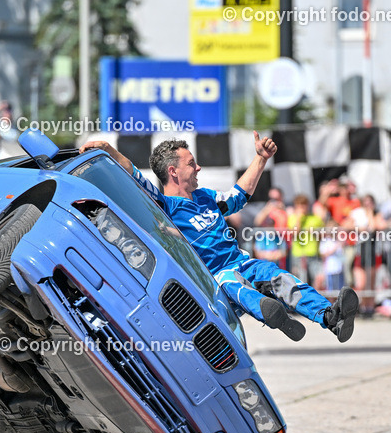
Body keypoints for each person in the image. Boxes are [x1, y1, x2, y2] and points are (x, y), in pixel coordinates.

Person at [80, 133, 359, 343]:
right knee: (233, 284)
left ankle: (329, 317)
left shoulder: (207, 197)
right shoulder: (161, 206)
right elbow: (133, 174)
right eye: (192, 163)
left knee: (277, 276)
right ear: (173, 171)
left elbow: (239, 196)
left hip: (242, 262)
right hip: (212, 280)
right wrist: (107, 149)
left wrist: (261, 157)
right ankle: (269, 312)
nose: (199, 168)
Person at [252, 187, 289, 268]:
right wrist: (267, 209)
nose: (274, 201)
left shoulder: (286, 210)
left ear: (281, 198)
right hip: (271, 245)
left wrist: (283, 209)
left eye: (276, 199)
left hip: (285, 246)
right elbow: (257, 222)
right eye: (271, 198)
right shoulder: (267, 211)